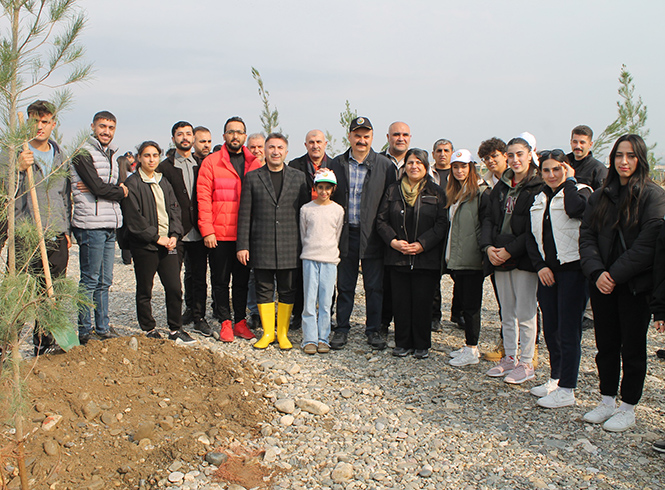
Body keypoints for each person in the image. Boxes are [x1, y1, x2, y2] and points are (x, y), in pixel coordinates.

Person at [580, 134, 665, 432]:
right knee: (605, 345)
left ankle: (628, 406)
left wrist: (613, 275)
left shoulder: (653, 195)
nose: (624, 162)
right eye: (618, 155)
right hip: (601, 284)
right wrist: (597, 273)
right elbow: (587, 237)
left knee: (632, 346)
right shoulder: (600, 195)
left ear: (640, 159)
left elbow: (648, 245)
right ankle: (606, 400)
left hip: (633, 287)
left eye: (630, 156)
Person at [0, 100, 71, 355]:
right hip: (24, 232)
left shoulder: (61, 154)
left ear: (53, 124)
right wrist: (18, 170)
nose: (40, 127)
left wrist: (66, 230)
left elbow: (65, 195)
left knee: (50, 288)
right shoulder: (12, 153)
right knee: (18, 290)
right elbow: (4, 194)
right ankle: (8, 345)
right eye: (35, 121)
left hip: (55, 232)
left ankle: (44, 341)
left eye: (45, 122)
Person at [526, 150, 591, 407]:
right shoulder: (539, 197)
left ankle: (568, 388)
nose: (551, 175)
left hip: (572, 271)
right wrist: (540, 266)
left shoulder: (582, 190)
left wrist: (571, 182)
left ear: (566, 168)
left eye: (557, 169)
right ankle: (554, 378)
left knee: (568, 330)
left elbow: (576, 211)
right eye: (546, 170)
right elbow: (531, 235)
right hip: (547, 272)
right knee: (551, 328)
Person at [236, 133, 310, 350]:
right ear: (264, 151)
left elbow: (305, 213)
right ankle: (268, 332)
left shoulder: (298, 178)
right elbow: (245, 214)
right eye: (271, 147)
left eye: (280, 147)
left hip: (290, 243)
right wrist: (243, 245)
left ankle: (283, 333)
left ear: (286, 151)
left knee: (288, 290)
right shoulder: (252, 177)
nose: (275, 151)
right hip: (262, 243)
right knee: (263, 288)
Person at [481, 133, 544, 384]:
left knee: (526, 312)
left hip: (523, 258)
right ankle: (509, 357)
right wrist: (488, 248)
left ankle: (527, 362)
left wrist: (510, 250)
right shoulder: (501, 186)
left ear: (530, 155)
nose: (515, 159)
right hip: (498, 256)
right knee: (507, 311)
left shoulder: (538, 186)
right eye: (511, 155)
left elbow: (533, 228)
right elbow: (488, 219)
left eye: (520, 154)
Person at [329, 117, 395, 350]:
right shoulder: (336, 164)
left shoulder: (385, 166)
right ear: (350, 137)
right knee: (345, 285)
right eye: (357, 135)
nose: (361, 140)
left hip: (373, 235)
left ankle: (373, 330)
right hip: (346, 234)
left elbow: (390, 202)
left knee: (374, 287)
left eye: (366, 136)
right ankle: (342, 329)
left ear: (372, 138)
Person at [376, 148, 446, 359]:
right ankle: (402, 342)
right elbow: (381, 220)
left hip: (425, 258)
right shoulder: (392, 191)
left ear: (426, 167)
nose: (414, 166)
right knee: (401, 302)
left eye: (419, 163)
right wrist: (393, 242)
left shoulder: (436, 192)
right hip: (398, 257)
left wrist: (422, 244)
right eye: (410, 163)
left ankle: (422, 344)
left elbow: (442, 224)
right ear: (404, 166)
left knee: (423, 302)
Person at [120, 141, 193, 343]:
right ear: (139, 158)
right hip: (146, 245)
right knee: (145, 288)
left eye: (155, 155)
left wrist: (174, 235)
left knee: (174, 287)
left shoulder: (163, 181)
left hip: (168, 244)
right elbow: (134, 218)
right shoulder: (133, 183)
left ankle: (175, 328)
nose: (151, 159)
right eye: (147, 155)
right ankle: (149, 327)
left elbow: (174, 209)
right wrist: (155, 237)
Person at [198, 116, 261, 342]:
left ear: (245, 136)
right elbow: (203, 198)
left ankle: (240, 322)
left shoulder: (255, 163)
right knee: (220, 280)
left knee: (242, 281)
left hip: (245, 235)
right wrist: (207, 230)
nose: (235, 136)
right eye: (231, 132)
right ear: (224, 136)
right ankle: (225, 321)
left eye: (239, 132)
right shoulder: (212, 162)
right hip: (220, 234)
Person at [71, 111, 128, 344]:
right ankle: (84, 332)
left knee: (105, 281)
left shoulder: (112, 155)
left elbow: (111, 185)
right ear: (92, 126)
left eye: (111, 127)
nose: (106, 131)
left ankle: (102, 328)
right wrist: (118, 191)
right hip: (90, 224)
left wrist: (109, 189)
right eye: (102, 126)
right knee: (89, 280)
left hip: (110, 223)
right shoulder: (83, 153)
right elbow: (98, 188)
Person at [158, 121, 212, 337]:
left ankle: (199, 315)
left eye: (188, 134)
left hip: (199, 229)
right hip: (176, 231)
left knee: (198, 275)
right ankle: (176, 320)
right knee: (174, 277)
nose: (185, 138)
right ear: (173, 139)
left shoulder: (202, 165)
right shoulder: (165, 167)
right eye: (180, 134)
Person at [444, 149, 490, 367]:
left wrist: (482, 253)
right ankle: (468, 344)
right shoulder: (455, 192)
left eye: (463, 166)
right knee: (464, 302)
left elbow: (484, 225)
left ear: (471, 167)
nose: (459, 170)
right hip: (457, 258)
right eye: (455, 166)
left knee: (472, 306)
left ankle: (472, 348)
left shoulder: (481, 192)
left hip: (472, 259)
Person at [289, 129, 333, 330]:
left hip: (326, 227)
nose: (315, 145)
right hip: (302, 225)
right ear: (305, 145)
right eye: (311, 142)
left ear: (326, 144)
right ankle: (298, 315)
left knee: (327, 277)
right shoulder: (295, 166)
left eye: (319, 142)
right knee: (301, 274)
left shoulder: (335, 165)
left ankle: (325, 316)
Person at [567, 125, 608, 332]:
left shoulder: (597, 169)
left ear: (590, 144)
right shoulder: (564, 163)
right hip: (563, 228)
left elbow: (603, 201)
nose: (578, 146)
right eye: (575, 141)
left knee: (587, 267)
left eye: (582, 142)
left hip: (587, 226)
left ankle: (589, 312)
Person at [299, 169, 344, 354]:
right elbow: (304, 234)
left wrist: (331, 252)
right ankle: (309, 338)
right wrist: (309, 250)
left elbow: (337, 234)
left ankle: (323, 338)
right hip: (310, 257)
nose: (323, 191)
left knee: (325, 301)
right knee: (309, 300)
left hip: (329, 260)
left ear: (333, 189)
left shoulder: (338, 210)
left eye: (327, 188)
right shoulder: (306, 209)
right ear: (315, 188)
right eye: (320, 187)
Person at [477, 137, 509, 361]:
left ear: (505, 155)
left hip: (516, 249)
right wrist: (488, 247)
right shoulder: (486, 184)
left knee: (525, 306)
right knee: (503, 303)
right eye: (486, 158)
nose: (490, 161)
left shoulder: (518, 181)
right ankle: (506, 344)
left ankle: (530, 349)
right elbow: (486, 220)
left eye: (494, 156)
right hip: (494, 250)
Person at [379, 122, 412, 335]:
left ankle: (417, 322)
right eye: (396, 134)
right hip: (386, 230)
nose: (401, 138)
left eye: (405, 134)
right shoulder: (378, 161)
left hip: (413, 233)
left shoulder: (417, 160)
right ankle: (382, 322)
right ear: (388, 137)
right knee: (384, 282)